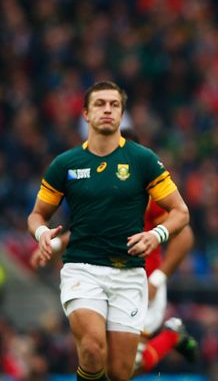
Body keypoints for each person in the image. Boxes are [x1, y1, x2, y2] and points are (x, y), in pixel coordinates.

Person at [27, 81, 190, 381]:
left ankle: (172, 336)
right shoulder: (66, 164)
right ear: (86, 114)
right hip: (82, 270)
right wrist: (43, 235)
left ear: (122, 113)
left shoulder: (143, 161)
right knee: (91, 349)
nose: (107, 110)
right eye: (100, 104)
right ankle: (171, 337)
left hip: (129, 275)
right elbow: (38, 215)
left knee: (120, 371)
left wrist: (156, 235)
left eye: (114, 105)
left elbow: (181, 214)